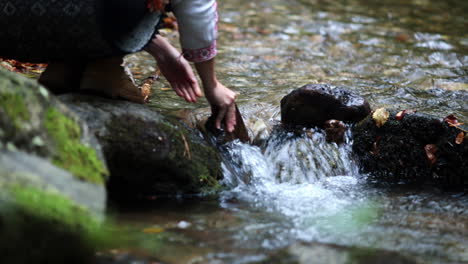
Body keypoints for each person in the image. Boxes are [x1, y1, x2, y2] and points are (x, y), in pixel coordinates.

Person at [0, 0, 237, 132]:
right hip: (101, 24)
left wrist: (160, 49)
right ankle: (104, 69)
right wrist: (212, 85)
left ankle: (65, 67)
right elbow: (198, 11)